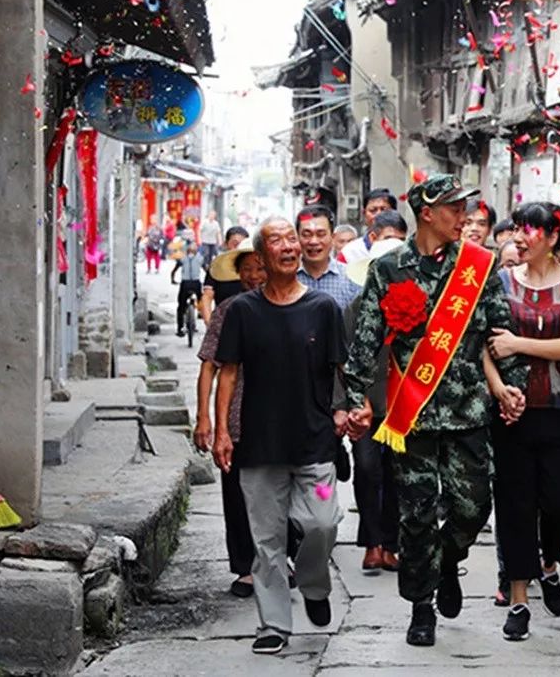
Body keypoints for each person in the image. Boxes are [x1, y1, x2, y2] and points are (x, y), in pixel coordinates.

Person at [343, 173, 529, 647]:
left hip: (469, 409)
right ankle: (420, 606)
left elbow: (500, 334)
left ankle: (447, 563)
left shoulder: (479, 266)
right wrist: (356, 398)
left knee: (472, 509)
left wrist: (512, 388)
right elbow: (366, 339)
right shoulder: (389, 270)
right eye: (453, 208)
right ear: (426, 212)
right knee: (417, 515)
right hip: (413, 417)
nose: (463, 217)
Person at [213, 217, 370, 655]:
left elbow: (342, 367)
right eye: (277, 241)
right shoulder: (243, 311)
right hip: (259, 446)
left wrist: (354, 406)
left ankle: (315, 585)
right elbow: (228, 373)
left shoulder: (322, 308)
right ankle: (274, 625)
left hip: (315, 442)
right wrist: (222, 429)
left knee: (323, 522)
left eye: (292, 239)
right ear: (261, 259)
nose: (289, 246)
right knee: (265, 541)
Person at [486, 202, 560, 642]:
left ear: (553, 237)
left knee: (559, 503)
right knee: (514, 506)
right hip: (511, 411)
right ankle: (517, 599)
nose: (520, 237)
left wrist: (519, 343)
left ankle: (548, 564)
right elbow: (487, 345)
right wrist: (497, 388)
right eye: (517, 229)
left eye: (531, 230)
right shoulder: (501, 281)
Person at [193, 239, 281, 597]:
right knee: (238, 491)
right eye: (248, 269)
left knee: (282, 491)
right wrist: (205, 419)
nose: (255, 275)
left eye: (261, 267)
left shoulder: (296, 304)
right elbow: (210, 368)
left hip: (282, 415)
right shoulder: (228, 311)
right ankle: (246, 566)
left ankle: (280, 559)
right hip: (239, 413)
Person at [344, 238, 407, 574]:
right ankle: (372, 542)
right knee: (367, 469)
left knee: (398, 473)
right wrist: (353, 403)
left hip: (404, 403)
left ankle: (392, 544)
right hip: (366, 402)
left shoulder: (415, 307)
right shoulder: (355, 307)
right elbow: (345, 361)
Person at [295, 205, 362, 312]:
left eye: (321, 234)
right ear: (297, 237)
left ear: (333, 237)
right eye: (307, 235)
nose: (314, 241)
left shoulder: (351, 279)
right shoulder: (287, 278)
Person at [200, 226, 249, 323]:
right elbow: (207, 296)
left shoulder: (258, 266)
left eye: (243, 244)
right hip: (224, 322)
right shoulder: (216, 267)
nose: (238, 248)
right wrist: (209, 323)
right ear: (226, 244)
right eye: (235, 243)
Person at [339, 188, 398, 265]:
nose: (378, 215)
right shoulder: (349, 253)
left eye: (384, 210)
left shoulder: (403, 248)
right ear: (364, 213)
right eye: (373, 210)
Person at [175, 242, 204, 337]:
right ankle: (200, 312)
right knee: (201, 301)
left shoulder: (183, 259)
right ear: (196, 251)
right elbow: (207, 270)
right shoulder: (200, 259)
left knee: (181, 306)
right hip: (196, 284)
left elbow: (174, 270)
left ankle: (180, 328)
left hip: (185, 284)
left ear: (187, 251)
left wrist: (173, 279)